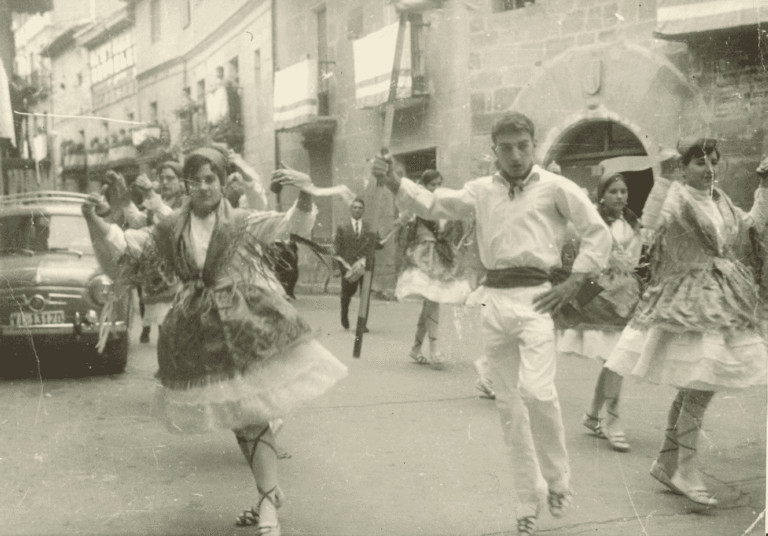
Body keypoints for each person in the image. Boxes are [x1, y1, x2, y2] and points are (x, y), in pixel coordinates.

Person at [81, 147, 347, 536]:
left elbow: (290, 225)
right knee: (239, 419)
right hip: (200, 331)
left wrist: (306, 192)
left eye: (211, 179)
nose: (204, 187)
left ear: (222, 183)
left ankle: (268, 502)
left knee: (252, 416)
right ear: (187, 186)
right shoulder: (171, 227)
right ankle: (268, 495)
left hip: (246, 326)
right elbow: (127, 242)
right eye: (196, 180)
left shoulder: (242, 221)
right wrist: (93, 218)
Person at [373, 111, 612, 536]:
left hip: (537, 298)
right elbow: (435, 203)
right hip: (495, 301)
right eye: (506, 148)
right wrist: (395, 182)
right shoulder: (481, 190)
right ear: (494, 151)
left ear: (534, 144)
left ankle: (558, 479)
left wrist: (575, 282)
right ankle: (527, 497)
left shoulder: (556, 187)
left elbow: (597, 232)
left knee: (538, 392)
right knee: (509, 408)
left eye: (523, 146)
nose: (515, 155)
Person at [606, 137, 768, 507]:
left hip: (723, 296)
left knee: (698, 383)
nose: (709, 169)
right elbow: (649, 226)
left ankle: (669, 462)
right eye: (700, 162)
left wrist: (764, 185)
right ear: (683, 167)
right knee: (701, 383)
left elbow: (751, 227)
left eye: (714, 161)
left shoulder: (720, 199)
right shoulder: (677, 197)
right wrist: (662, 180)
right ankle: (686, 467)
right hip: (690, 299)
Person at [556, 171, 644, 452]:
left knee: (615, 359)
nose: (619, 196)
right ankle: (612, 420)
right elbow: (581, 252)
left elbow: (636, 258)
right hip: (599, 292)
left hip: (627, 293)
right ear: (602, 196)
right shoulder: (593, 222)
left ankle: (594, 415)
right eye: (613, 191)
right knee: (614, 358)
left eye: (623, 191)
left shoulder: (633, 222)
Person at [396, 169, 472, 366]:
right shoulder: (418, 205)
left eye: (439, 184)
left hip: (441, 258)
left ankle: (415, 349)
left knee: (430, 303)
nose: (436, 188)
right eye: (432, 185)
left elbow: (454, 231)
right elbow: (404, 223)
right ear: (423, 185)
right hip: (424, 259)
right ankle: (434, 347)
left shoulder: (442, 203)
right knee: (432, 302)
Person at [333, 197, 381, 331]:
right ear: (351, 209)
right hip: (348, 266)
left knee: (365, 295)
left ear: (363, 210)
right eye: (355, 207)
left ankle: (362, 324)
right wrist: (336, 268)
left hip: (365, 266)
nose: (357, 210)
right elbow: (336, 248)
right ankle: (344, 315)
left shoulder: (370, 227)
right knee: (346, 294)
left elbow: (378, 243)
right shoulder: (342, 227)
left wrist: (378, 242)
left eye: (360, 208)